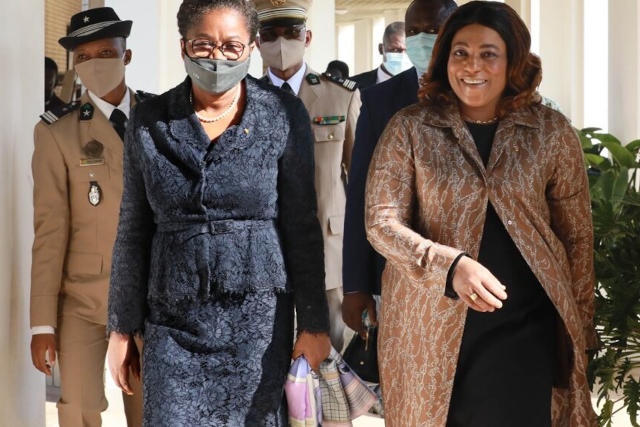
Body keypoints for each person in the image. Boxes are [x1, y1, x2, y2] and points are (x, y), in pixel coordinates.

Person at [364, 2, 598, 426]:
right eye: (461, 53)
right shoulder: (410, 127)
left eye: (488, 53)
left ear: (514, 61)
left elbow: (577, 236)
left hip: (526, 328)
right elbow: (382, 222)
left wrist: (580, 329)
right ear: (445, 59)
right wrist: (449, 266)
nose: (472, 66)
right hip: (429, 326)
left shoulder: (550, 131)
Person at [105, 0, 331, 425]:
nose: (218, 57)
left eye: (231, 46)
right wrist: (121, 327)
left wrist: (314, 324)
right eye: (203, 44)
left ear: (251, 48)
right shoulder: (149, 121)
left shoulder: (282, 114)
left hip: (258, 325)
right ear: (183, 47)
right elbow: (133, 228)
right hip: (172, 325)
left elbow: (301, 225)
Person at [30, 7, 148, 427]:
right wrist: (42, 324)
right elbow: (49, 233)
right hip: (83, 299)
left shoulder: (161, 117)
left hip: (152, 296)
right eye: (83, 57)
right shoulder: (57, 133)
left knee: (151, 411)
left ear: (126, 56)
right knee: (78, 408)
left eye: (105, 53)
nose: (94, 63)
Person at [343, 0, 457, 338]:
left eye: (433, 30)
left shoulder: (479, 90)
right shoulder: (380, 100)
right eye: (414, 31)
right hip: (400, 265)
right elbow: (361, 192)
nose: (422, 40)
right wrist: (356, 285)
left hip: (468, 262)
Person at [255, 0, 361, 352]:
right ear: (257, 42)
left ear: (308, 37)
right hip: (266, 250)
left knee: (328, 360)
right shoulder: (243, 100)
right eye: (271, 35)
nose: (281, 43)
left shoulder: (340, 97)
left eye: (291, 33)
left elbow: (360, 183)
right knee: (271, 356)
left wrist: (362, 266)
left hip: (328, 249)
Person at [351, 21, 410, 90]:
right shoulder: (353, 86)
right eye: (395, 50)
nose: (403, 55)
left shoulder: (420, 85)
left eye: (409, 50)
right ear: (381, 49)